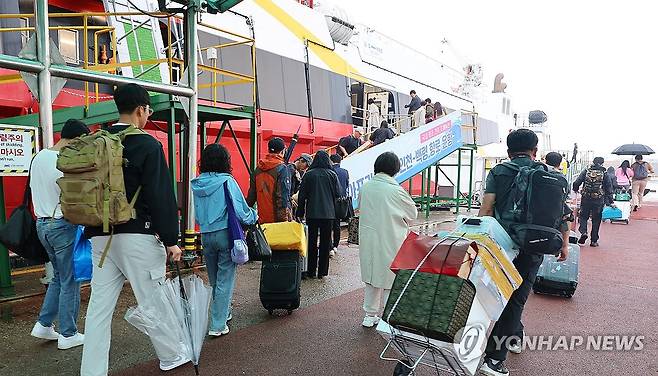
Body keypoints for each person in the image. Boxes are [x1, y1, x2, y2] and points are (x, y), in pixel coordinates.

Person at [81, 83, 184, 375]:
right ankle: (172, 355)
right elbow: (161, 196)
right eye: (147, 111)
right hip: (138, 235)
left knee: (99, 309)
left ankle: (92, 370)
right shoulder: (148, 145)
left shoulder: (96, 142)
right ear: (141, 110)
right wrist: (170, 240)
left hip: (100, 237)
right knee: (153, 299)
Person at [478, 129, 569, 376]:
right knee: (516, 299)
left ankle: (502, 347)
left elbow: (487, 210)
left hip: (500, 245)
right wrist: (564, 244)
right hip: (534, 245)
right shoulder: (549, 174)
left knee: (495, 294)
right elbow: (561, 214)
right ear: (535, 151)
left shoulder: (498, 172)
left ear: (508, 152)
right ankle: (495, 359)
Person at [29, 119, 90, 350]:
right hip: (61, 224)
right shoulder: (63, 162)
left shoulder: (38, 157)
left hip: (42, 225)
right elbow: (74, 197)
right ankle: (68, 333)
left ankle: (44, 324)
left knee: (58, 277)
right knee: (70, 280)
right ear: (74, 139)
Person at [192, 144, 258, 337]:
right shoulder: (227, 181)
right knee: (225, 280)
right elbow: (241, 210)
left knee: (215, 279)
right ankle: (218, 325)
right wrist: (253, 216)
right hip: (224, 234)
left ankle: (223, 312)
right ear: (225, 161)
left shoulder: (197, 183)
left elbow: (196, 216)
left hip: (206, 235)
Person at [358, 152, 418, 328]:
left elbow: (361, 207)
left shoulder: (366, 187)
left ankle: (369, 315)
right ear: (395, 169)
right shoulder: (396, 190)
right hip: (391, 238)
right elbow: (412, 214)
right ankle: (388, 316)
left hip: (369, 238)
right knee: (389, 279)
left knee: (371, 276)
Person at [296, 151, 341, 280]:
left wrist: (300, 212)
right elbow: (338, 194)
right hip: (329, 214)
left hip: (312, 213)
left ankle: (311, 270)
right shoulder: (332, 174)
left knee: (311, 242)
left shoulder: (309, 174)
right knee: (325, 242)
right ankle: (322, 272)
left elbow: (302, 196)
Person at [247, 137, 292, 223]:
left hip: (262, 219)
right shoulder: (282, 169)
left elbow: (251, 197)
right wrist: (284, 220)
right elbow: (282, 197)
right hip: (277, 221)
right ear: (283, 151)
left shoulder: (258, 169)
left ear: (268, 149)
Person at [572, 157, 614, 247]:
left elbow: (576, 182)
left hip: (586, 198)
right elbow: (609, 188)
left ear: (593, 162)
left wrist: (575, 189)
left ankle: (583, 232)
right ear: (602, 163)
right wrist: (611, 201)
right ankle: (594, 241)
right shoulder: (604, 173)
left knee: (583, 217)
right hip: (598, 200)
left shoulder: (586, 171)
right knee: (596, 220)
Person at [330, 153, 349, 258]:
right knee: (337, 224)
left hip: (330, 201)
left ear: (331, 161)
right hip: (341, 202)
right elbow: (346, 186)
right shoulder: (345, 172)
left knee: (329, 224)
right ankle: (335, 245)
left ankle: (330, 247)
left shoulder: (330, 171)